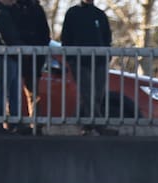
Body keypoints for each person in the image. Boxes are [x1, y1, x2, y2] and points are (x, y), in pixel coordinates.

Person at [60, 0, 115, 136]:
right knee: (87, 93)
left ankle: (88, 125)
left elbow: (107, 37)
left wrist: (106, 55)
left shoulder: (99, 14)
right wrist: (71, 58)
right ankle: (99, 125)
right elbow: (66, 37)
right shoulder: (73, 13)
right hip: (80, 61)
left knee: (98, 94)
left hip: (99, 61)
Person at [0, 0, 29, 135]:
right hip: (6, 57)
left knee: (11, 91)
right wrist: (25, 48)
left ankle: (13, 122)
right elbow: (9, 39)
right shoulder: (0, 15)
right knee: (4, 92)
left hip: (7, 57)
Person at [13, 0, 52, 135]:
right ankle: (14, 122)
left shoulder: (36, 9)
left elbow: (45, 35)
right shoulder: (14, 8)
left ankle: (34, 124)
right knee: (14, 90)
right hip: (17, 56)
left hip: (34, 58)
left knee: (32, 92)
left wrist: (38, 53)